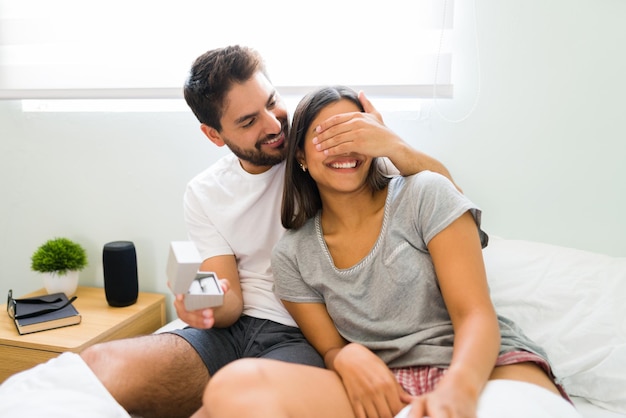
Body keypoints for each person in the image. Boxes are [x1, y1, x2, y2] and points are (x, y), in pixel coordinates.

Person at [79, 46, 459, 418]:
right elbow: (230, 302)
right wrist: (202, 305)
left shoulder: (323, 148)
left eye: (272, 101)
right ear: (214, 135)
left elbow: (448, 202)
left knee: (234, 403)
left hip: (301, 335)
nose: (274, 125)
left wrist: (390, 142)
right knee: (98, 364)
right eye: (248, 121)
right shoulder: (205, 192)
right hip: (232, 330)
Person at [194, 86, 582, 418]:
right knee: (233, 388)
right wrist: (342, 357)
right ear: (299, 156)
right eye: (325, 135)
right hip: (385, 385)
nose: (342, 145)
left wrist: (457, 392)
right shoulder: (293, 254)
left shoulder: (425, 193)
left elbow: (474, 313)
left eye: (354, 132)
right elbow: (329, 345)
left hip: (482, 367)